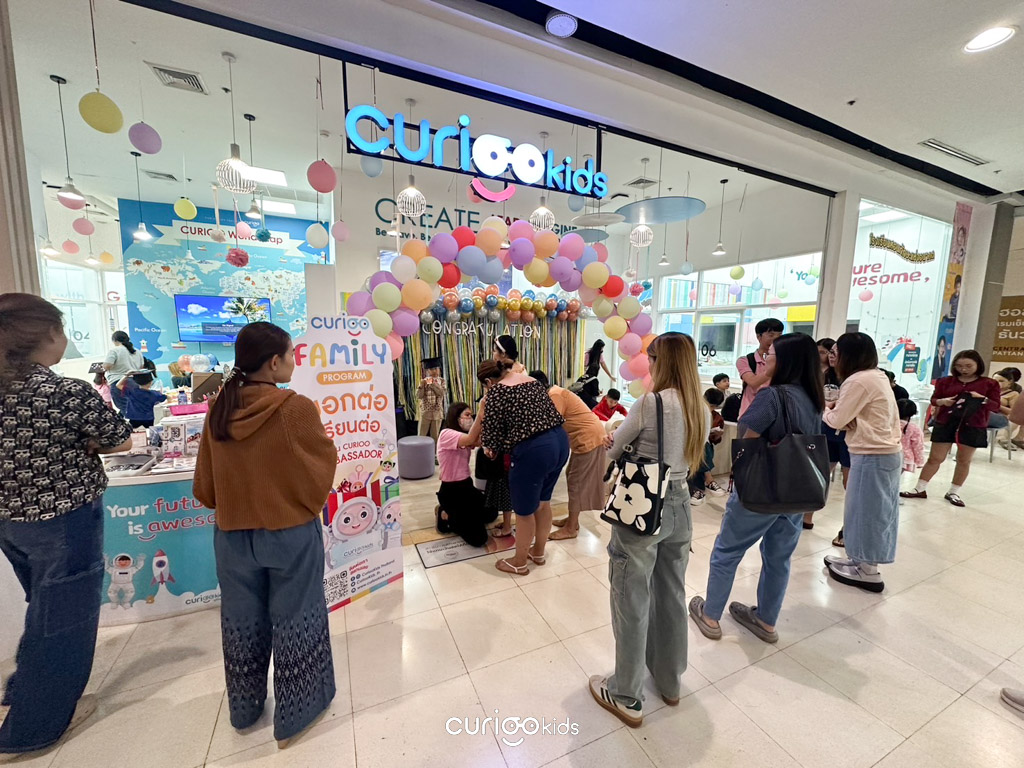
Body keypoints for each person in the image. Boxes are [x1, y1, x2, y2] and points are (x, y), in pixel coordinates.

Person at [193, 321, 337, 749]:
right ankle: (296, 713)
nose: (294, 361)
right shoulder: (294, 408)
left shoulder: (219, 408)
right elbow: (319, 472)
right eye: (291, 354)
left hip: (232, 538)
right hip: (288, 534)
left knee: (242, 622)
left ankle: (244, 708)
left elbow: (204, 488)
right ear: (274, 362)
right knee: (297, 617)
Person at [0, 294, 133, 755]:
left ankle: (21, 689)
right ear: (49, 334)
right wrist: (87, 444)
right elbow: (119, 439)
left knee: (43, 605)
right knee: (65, 620)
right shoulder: (62, 392)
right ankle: (34, 726)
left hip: (11, 522)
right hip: (64, 520)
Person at [590, 332, 708, 728]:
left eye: (652, 357)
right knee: (672, 593)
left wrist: (615, 440)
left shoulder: (650, 403)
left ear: (661, 361)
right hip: (680, 503)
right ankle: (670, 681)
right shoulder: (698, 406)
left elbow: (612, 449)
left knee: (631, 596)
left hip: (643, 505)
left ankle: (626, 693)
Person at [689, 333, 823, 645]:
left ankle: (710, 615)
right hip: (797, 490)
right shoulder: (813, 397)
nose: (766, 357)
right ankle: (766, 620)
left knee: (728, 550)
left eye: (771, 354)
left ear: (785, 360)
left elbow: (748, 437)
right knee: (778, 559)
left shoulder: (772, 396)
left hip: (762, 487)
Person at [822, 332, 902, 592]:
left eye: (835, 352)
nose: (832, 357)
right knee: (864, 510)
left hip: (873, 454)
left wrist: (825, 409)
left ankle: (868, 570)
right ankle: (859, 560)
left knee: (868, 513)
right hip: (877, 452)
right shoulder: (874, 375)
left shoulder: (858, 380)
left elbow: (837, 420)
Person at [477, 359, 568, 573]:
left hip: (534, 451)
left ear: (488, 381)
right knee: (543, 503)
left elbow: (490, 437)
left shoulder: (497, 392)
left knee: (524, 511)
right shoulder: (531, 381)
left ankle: (519, 562)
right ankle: (538, 552)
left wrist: (490, 448)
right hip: (560, 442)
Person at [901, 350, 1000, 507]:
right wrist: (943, 401)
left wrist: (983, 399)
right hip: (946, 422)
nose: (963, 369)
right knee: (935, 458)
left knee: (964, 460)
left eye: (968, 366)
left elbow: (995, 406)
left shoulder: (989, 384)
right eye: (959, 366)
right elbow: (934, 399)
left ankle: (954, 491)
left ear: (978, 365)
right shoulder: (945, 381)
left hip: (973, 424)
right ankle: (920, 488)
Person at [531, 370, 607, 541]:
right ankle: (572, 520)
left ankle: (571, 528)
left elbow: (550, 424)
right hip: (586, 438)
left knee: (576, 482)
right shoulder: (554, 393)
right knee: (572, 477)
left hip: (589, 439)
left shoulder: (554, 395)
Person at [435, 402, 494, 546]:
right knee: (479, 539)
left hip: (467, 486)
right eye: (467, 415)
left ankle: (460, 516)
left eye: (471, 415)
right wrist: (481, 413)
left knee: (492, 512)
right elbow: (471, 440)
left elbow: (479, 441)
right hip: (452, 491)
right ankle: (445, 515)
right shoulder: (446, 434)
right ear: (456, 417)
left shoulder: (463, 436)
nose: (470, 418)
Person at [816, 338, 850, 537]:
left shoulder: (853, 378)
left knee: (849, 483)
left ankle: (848, 528)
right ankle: (805, 517)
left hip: (848, 435)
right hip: (825, 429)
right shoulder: (818, 373)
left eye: (832, 352)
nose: (829, 356)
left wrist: (830, 407)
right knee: (819, 475)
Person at [736, 317, 783, 418]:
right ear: (759, 337)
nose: (776, 339)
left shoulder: (784, 360)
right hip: (750, 414)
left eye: (779, 335)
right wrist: (773, 367)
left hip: (774, 415)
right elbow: (753, 382)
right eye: (771, 335)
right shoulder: (745, 360)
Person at [689, 387, 727, 506]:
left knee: (703, 447)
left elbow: (715, 440)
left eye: (713, 406)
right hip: (691, 445)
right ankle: (709, 479)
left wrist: (716, 435)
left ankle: (700, 486)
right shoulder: (692, 409)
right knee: (702, 447)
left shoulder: (717, 417)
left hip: (702, 448)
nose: (710, 408)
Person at [103, 331, 144, 412]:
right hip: (135, 382)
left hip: (119, 382)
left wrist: (103, 366)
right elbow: (141, 366)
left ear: (114, 340)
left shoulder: (114, 351)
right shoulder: (137, 351)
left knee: (125, 408)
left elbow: (107, 366)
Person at [416, 359, 446, 442]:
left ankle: (435, 450)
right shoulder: (424, 381)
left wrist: (433, 384)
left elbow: (441, 393)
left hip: (437, 412)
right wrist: (421, 386)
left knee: (435, 436)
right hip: (425, 411)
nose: (435, 371)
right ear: (427, 371)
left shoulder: (442, 381)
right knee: (421, 434)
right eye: (432, 369)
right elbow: (419, 396)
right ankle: (419, 448)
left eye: (436, 368)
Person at [992, 369, 1020, 450]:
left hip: (1001, 417)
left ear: (1009, 382)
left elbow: (1014, 413)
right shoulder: (989, 391)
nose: (997, 383)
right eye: (994, 381)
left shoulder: (1013, 394)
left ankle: (1003, 439)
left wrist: (997, 406)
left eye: (1001, 381)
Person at [898, 399, 926, 476]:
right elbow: (918, 446)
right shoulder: (914, 428)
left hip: (886, 455)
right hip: (905, 458)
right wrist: (920, 461)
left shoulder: (888, 425)